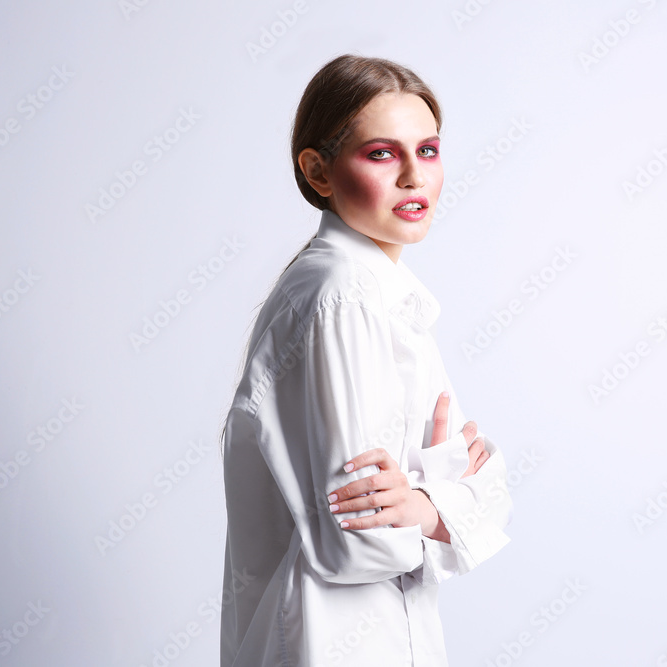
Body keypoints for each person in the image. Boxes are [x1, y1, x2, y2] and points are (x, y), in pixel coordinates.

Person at [219, 53, 513, 667]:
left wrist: (427, 501)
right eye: (382, 153)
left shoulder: (376, 295)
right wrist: (442, 500)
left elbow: (493, 493)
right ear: (318, 171)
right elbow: (359, 542)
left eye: (427, 150)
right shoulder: (344, 298)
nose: (414, 176)